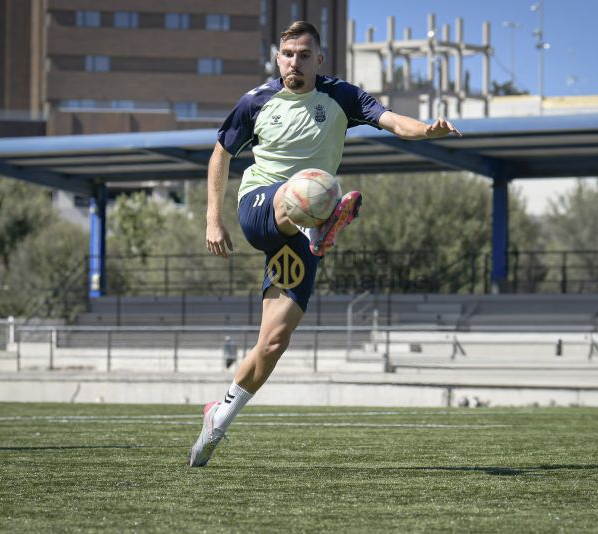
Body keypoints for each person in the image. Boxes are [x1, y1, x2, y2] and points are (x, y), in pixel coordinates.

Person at [189, 21, 460, 467]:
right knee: (311, 187)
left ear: (320, 59)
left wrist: (427, 130)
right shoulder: (255, 102)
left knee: (274, 341)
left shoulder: (341, 96)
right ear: (279, 58)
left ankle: (219, 414)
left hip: (298, 235)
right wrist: (211, 220)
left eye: (303, 54)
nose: (294, 61)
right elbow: (221, 153)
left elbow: (390, 120)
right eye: (287, 54)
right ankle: (321, 221)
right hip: (261, 207)